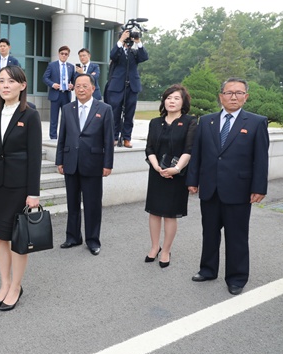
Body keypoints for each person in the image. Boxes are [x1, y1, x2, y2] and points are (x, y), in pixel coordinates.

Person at [187, 78, 269, 296]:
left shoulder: (256, 122)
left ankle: (237, 277)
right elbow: (198, 154)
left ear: (246, 97)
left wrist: (259, 187)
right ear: (221, 96)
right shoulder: (206, 121)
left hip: (239, 190)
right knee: (210, 233)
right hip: (210, 188)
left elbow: (261, 159)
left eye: (239, 93)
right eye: (229, 92)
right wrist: (192, 180)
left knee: (237, 236)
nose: (234, 97)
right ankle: (207, 269)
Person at [0, 66, 42, 311]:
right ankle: (4, 284)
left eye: (11, 81)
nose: (5, 85)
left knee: (17, 239)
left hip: (19, 186)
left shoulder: (30, 115)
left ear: (22, 85)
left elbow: (35, 156)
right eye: (1, 81)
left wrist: (33, 192)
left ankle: (16, 286)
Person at [56, 73, 113, 255]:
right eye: (77, 86)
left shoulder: (104, 109)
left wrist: (108, 164)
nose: (80, 89)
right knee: (72, 203)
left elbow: (108, 139)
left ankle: (93, 240)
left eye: (85, 86)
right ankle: (73, 237)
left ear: (93, 88)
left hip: (93, 163)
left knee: (92, 204)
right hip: (70, 162)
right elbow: (62, 137)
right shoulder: (67, 108)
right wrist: (59, 160)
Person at [144, 85, 197, 267]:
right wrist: (157, 166)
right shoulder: (155, 123)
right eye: (168, 98)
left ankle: (166, 250)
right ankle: (154, 247)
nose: (171, 101)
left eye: (176, 98)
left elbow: (189, 149)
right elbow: (149, 148)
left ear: (183, 102)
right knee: (154, 212)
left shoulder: (190, 121)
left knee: (170, 214)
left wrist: (176, 168)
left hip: (177, 174)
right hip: (157, 173)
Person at [105, 30, 149, 148]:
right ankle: (114, 137)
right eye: (126, 39)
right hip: (117, 86)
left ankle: (127, 138)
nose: (128, 41)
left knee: (130, 113)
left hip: (132, 86)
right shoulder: (118, 51)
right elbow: (112, 54)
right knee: (115, 112)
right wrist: (121, 40)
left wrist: (138, 41)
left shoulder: (134, 53)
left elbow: (144, 57)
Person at [42, 46, 75, 140]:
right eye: (62, 53)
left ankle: (65, 137)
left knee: (67, 118)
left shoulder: (71, 67)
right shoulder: (52, 65)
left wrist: (72, 85)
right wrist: (52, 84)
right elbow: (45, 78)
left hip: (66, 95)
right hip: (55, 95)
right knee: (54, 119)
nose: (64, 56)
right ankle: (53, 137)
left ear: (68, 55)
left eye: (66, 54)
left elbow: (74, 80)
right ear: (59, 54)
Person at [0, 38, 20, 104]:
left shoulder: (14, 61)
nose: (2, 48)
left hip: (10, 91)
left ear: (9, 47)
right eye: (0, 46)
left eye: (4, 46)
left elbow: (17, 77)